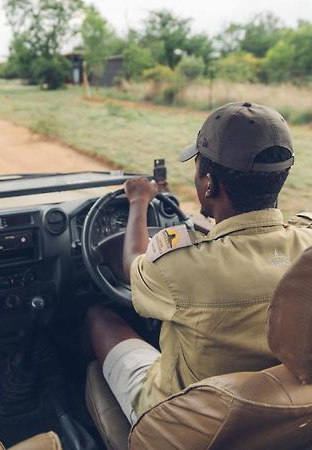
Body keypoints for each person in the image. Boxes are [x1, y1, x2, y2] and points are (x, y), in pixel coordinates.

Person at [87, 101, 312, 425]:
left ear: (209, 183)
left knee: (98, 317)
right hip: (282, 417)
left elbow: (132, 265)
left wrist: (139, 201)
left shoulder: (180, 266)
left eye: (197, 168)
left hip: (179, 422)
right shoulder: (305, 247)